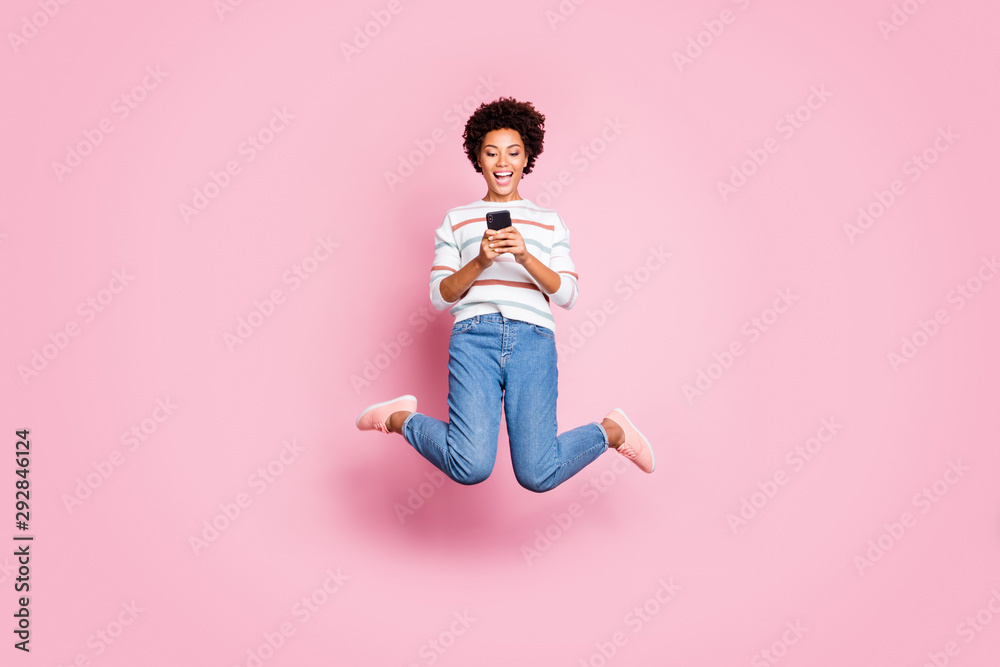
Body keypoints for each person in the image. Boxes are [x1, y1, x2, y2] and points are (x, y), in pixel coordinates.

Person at [355, 97, 655, 492]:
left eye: (513, 153)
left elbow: (568, 294)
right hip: (473, 340)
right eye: (491, 152)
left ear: (526, 157)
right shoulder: (456, 219)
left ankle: (610, 432)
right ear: (478, 158)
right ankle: (399, 419)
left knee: (537, 473)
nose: (502, 162)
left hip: (533, 341)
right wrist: (479, 261)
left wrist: (525, 256)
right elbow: (439, 297)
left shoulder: (548, 222)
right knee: (470, 465)